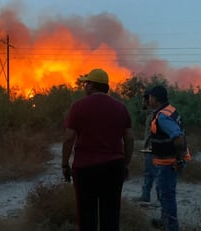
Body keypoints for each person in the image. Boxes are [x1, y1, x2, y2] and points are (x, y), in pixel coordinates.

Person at [61, 68, 134, 231]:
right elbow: (129, 138)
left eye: (86, 83)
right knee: (111, 213)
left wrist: (64, 164)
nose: (84, 86)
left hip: (85, 169)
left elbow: (68, 138)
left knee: (87, 215)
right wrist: (126, 164)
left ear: (92, 86)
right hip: (114, 167)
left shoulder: (78, 107)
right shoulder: (120, 107)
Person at [148, 85, 188, 231]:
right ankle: (165, 221)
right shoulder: (170, 110)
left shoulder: (163, 116)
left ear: (155, 98)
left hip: (168, 163)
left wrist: (179, 159)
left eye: (150, 97)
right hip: (166, 161)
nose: (149, 100)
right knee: (163, 192)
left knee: (167, 196)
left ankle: (171, 226)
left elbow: (178, 137)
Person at [134, 90, 158, 206]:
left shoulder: (155, 115)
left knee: (153, 173)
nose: (141, 102)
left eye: (143, 99)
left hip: (153, 149)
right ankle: (146, 195)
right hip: (150, 148)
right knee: (149, 173)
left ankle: (152, 197)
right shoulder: (151, 114)